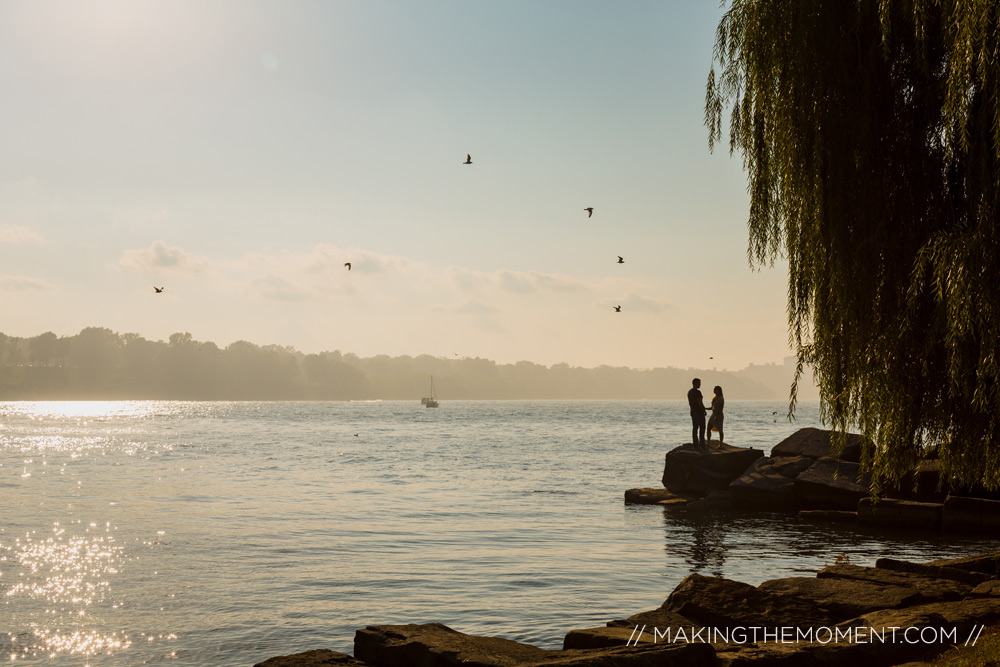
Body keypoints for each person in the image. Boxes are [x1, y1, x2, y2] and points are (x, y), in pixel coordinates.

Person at [687, 378, 707, 448]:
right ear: (695, 383)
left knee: (695, 428)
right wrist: (704, 410)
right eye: (699, 383)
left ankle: (695, 443)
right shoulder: (698, 392)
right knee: (702, 427)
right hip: (699, 412)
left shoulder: (689, 392)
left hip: (693, 412)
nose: (700, 385)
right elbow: (700, 402)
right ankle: (702, 443)